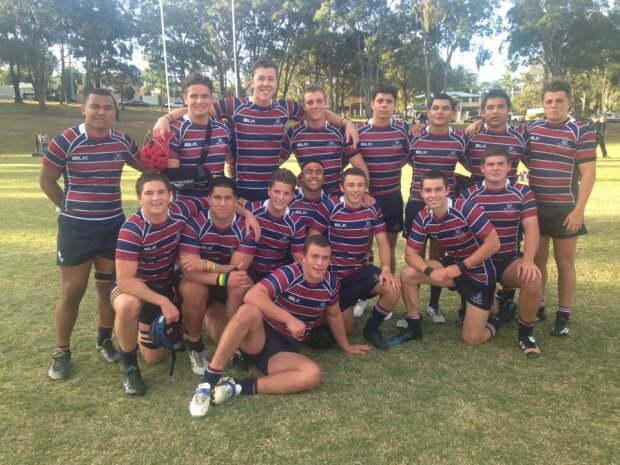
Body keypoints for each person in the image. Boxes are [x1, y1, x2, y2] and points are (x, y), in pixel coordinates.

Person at [188, 235, 370, 418]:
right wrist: (289, 319)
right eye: (315, 257)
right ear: (304, 257)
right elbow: (253, 295)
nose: (319, 263)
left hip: (283, 349)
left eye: (325, 258)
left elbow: (333, 314)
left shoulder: (331, 282)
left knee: (312, 374)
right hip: (259, 335)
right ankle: (208, 381)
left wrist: (346, 345)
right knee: (249, 310)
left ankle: (235, 387)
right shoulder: (290, 273)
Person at [40, 88, 143, 381]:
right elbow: (46, 181)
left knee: (107, 288)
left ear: (114, 112)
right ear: (83, 108)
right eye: (95, 107)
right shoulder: (65, 141)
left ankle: (104, 339)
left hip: (112, 227)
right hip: (76, 229)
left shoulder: (122, 142)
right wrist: (69, 208)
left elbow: (147, 166)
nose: (102, 113)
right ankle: (62, 351)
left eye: (108, 108)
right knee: (72, 291)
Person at [154, 60, 358, 201]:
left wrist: (346, 122)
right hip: (241, 192)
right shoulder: (235, 105)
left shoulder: (284, 108)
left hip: (274, 192)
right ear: (252, 82)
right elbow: (199, 106)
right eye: (261, 78)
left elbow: (316, 111)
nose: (265, 84)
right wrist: (167, 117)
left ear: (277, 83)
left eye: (271, 79)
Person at [111, 172, 204, 395]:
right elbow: (125, 280)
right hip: (132, 287)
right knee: (128, 306)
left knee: (154, 359)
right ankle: (130, 367)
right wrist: (164, 302)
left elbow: (213, 198)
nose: (156, 198)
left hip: (161, 284)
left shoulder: (180, 211)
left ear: (171, 195)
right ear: (139, 198)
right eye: (149, 193)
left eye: (161, 192)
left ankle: (146, 328)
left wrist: (245, 214)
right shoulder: (132, 229)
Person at [393, 170, 501, 346]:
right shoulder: (422, 217)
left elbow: (494, 243)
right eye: (428, 190)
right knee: (408, 274)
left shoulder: (466, 208)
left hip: (479, 272)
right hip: (454, 267)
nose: (433, 195)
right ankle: (413, 327)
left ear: (447, 190)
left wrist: (461, 267)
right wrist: (430, 272)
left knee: (473, 339)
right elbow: (410, 254)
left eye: (438, 189)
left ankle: (502, 314)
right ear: (421, 193)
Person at [523, 80, 596, 335]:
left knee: (565, 261)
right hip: (535, 207)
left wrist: (579, 210)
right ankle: (539, 304)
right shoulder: (531, 128)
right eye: (549, 101)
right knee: (537, 258)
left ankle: (563, 314)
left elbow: (588, 174)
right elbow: (509, 139)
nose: (554, 105)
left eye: (559, 101)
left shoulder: (581, 130)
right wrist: (477, 124)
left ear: (569, 103)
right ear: (543, 104)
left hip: (565, 208)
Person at [461, 147, 542, 357]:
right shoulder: (469, 194)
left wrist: (528, 260)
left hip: (507, 261)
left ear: (509, 167)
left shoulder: (522, 192)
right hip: (477, 265)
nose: (495, 168)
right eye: (490, 164)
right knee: (478, 328)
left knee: (533, 278)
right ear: (482, 168)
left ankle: (526, 334)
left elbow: (532, 229)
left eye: (500, 164)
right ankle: (501, 311)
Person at [309, 168, 401, 350]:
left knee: (393, 288)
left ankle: (372, 330)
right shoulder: (330, 206)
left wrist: (385, 269)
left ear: (366, 188)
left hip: (359, 271)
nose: (356, 190)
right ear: (342, 187)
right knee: (347, 330)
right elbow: (312, 237)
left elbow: (382, 241)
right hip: (334, 275)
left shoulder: (372, 207)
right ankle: (336, 309)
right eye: (351, 185)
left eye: (360, 185)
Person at [177, 176, 256, 375]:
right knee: (192, 289)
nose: (222, 203)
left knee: (240, 284)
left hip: (225, 281)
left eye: (228, 198)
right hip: (201, 281)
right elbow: (189, 271)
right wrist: (222, 274)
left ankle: (235, 346)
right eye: (217, 198)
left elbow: (238, 270)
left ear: (236, 200)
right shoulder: (195, 223)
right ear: (209, 199)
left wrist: (205, 264)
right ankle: (194, 343)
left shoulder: (245, 227)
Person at [403, 93, 468, 324]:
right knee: (416, 256)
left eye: (445, 108)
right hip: (417, 203)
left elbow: (472, 165)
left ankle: (434, 304)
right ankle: (412, 308)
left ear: (452, 113)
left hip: (445, 207)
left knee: (438, 254)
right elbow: (408, 160)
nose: (440, 112)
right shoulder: (415, 137)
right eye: (435, 108)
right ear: (428, 112)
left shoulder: (459, 140)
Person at [356, 84, 410, 272]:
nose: (384, 105)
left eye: (389, 102)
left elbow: (407, 156)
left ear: (395, 105)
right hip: (365, 198)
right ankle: (363, 294)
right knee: (364, 248)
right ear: (372, 104)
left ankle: (387, 290)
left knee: (389, 249)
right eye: (380, 101)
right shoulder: (359, 132)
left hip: (392, 198)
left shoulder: (403, 130)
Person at [280, 84, 368, 195]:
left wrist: (366, 193)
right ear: (304, 106)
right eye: (310, 102)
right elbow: (275, 162)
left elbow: (360, 167)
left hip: (335, 198)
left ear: (325, 102)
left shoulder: (341, 132)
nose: (315, 106)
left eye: (319, 101)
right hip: (308, 198)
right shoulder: (293, 133)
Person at [166, 73, 233, 200]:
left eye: (205, 96)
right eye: (194, 96)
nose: (200, 101)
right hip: (186, 205)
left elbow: (231, 163)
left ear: (211, 98)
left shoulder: (224, 129)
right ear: (185, 98)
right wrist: (206, 179)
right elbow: (173, 180)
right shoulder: (174, 130)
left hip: (218, 205)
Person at [247, 168, 306, 283]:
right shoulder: (252, 210)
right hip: (248, 271)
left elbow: (298, 261)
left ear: (293, 195)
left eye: (286, 193)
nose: (281, 197)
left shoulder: (296, 224)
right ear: (269, 191)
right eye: (277, 191)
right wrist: (245, 212)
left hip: (275, 276)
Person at [462, 89, 527, 185]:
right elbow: (464, 163)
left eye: (500, 107)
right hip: (476, 196)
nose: (495, 111)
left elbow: (531, 164)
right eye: (490, 107)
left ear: (508, 110)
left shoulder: (521, 137)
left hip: (509, 197)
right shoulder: (471, 134)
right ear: (483, 111)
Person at [289, 160, 331, 229]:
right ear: (301, 177)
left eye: (318, 172)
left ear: (323, 178)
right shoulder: (289, 199)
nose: (314, 176)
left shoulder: (332, 202)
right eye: (309, 172)